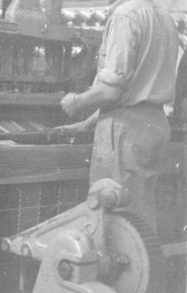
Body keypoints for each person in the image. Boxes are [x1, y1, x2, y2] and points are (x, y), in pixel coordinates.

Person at [58, 0, 179, 233]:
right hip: (154, 126)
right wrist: (88, 122)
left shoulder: (125, 16)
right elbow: (139, 85)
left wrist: (77, 101)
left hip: (126, 132)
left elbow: (113, 90)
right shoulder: (164, 18)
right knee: (139, 217)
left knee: (110, 220)